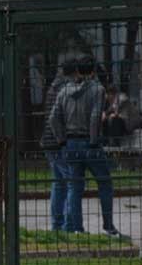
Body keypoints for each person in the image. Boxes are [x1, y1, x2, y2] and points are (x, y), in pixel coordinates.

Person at [44, 56, 118, 235]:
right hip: (89, 142)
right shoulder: (98, 89)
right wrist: (93, 141)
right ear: (92, 70)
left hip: (70, 143)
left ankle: (74, 227)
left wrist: (62, 139)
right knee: (105, 183)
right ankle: (108, 225)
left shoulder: (64, 90)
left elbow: (53, 118)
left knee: (74, 186)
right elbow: (94, 117)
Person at [42, 58, 78, 232]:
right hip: (59, 142)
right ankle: (69, 226)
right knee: (72, 182)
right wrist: (63, 139)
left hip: (48, 141)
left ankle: (57, 224)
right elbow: (58, 117)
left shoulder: (53, 87)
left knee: (59, 183)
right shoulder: (66, 89)